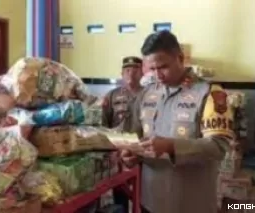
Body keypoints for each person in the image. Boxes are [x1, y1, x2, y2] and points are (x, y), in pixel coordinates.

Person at [120, 31, 235, 213]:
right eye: (152, 69)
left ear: (180, 58)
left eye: (163, 67)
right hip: (150, 200)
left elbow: (218, 147)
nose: (157, 75)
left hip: (191, 204)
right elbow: (135, 137)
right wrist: (130, 155)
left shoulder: (210, 94)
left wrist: (171, 146)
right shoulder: (146, 94)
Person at [101, 56, 143, 213]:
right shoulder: (111, 96)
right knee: (120, 193)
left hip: (142, 152)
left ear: (142, 72)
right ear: (121, 73)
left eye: (135, 70)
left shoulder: (150, 95)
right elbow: (104, 125)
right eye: (127, 70)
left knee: (143, 193)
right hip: (119, 152)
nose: (131, 74)